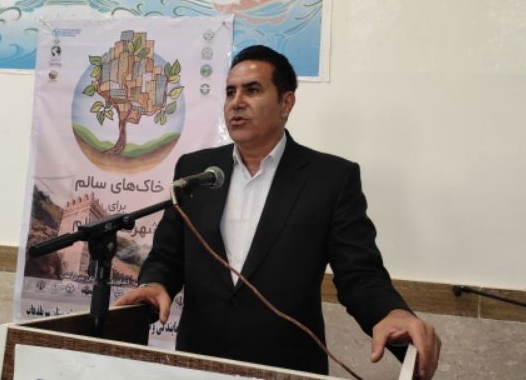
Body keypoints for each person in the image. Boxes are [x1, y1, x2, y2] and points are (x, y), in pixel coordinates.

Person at [115, 45, 441, 378]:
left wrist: (391, 312)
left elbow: (359, 273)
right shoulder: (197, 170)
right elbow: (168, 256)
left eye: (252, 90)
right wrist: (155, 282)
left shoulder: (330, 179)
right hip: (200, 362)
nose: (236, 102)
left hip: (286, 366)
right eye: (230, 92)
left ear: (286, 103)